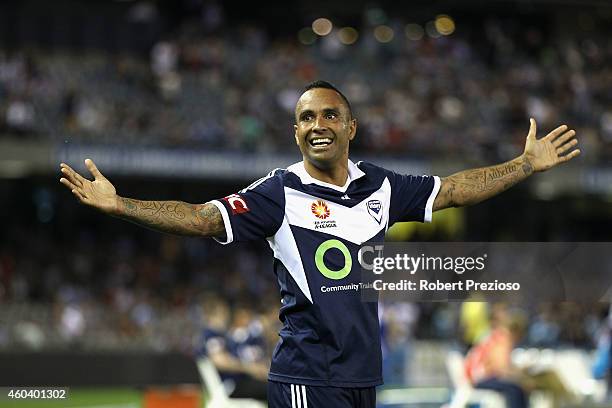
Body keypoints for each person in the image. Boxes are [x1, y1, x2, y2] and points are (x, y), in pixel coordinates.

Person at [59, 80, 580, 408]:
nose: (318, 125)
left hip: (361, 377)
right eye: (307, 118)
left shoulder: (382, 185)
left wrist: (526, 164)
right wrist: (122, 204)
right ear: (296, 133)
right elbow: (200, 218)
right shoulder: (277, 192)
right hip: (308, 376)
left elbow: (456, 189)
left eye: (329, 115)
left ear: (350, 126)